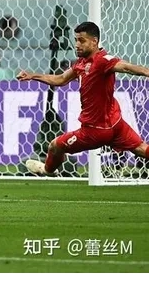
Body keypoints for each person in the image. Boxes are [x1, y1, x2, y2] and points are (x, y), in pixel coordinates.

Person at [17, 21, 149, 176]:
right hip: (116, 124)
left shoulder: (103, 60)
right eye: (76, 40)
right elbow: (61, 79)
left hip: (94, 131)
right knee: (142, 149)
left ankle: (46, 170)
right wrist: (33, 76)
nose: (77, 45)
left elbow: (126, 67)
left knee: (54, 146)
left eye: (81, 40)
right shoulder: (81, 63)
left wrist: (146, 72)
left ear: (94, 41)